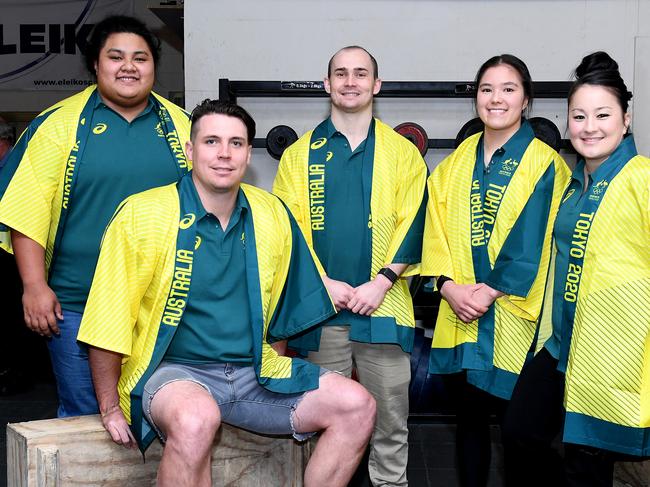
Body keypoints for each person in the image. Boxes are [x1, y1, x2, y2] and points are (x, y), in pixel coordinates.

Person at [77, 99, 376, 487]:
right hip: (175, 374)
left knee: (358, 405)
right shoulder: (142, 213)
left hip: (254, 373)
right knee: (197, 418)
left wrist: (273, 372)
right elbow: (107, 318)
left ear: (248, 153)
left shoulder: (272, 212)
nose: (224, 154)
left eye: (236, 143)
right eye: (211, 141)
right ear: (190, 150)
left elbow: (287, 309)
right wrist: (110, 407)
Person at [0, 15, 191, 417]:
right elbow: (26, 210)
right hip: (77, 302)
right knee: (87, 417)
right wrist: (34, 286)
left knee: (165, 414)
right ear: (95, 65)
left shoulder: (181, 125)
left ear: (154, 67)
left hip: (165, 302)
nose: (129, 66)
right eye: (116, 56)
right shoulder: (57, 125)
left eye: (140, 58)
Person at [273, 45, 428, 487]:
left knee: (391, 424)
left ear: (376, 85)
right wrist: (322, 282)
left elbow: (414, 221)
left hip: (384, 308)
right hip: (321, 314)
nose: (350, 81)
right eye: (340, 73)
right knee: (321, 426)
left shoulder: (403, 154)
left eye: (361, 73)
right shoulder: (299, 155)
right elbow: (288, 230)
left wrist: (381, 282)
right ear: (327, 85)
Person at [421, 54, 570, 487]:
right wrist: (448, 287)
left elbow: (536, 238)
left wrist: (487, 292)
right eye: (487, 89)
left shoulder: (547, 164)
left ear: (526, 100)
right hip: (461, 313)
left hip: (514, 319)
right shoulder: (455, 162)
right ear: (476, 98)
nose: (496, 98)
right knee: (467, 423)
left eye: (508, 89)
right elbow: (434, 229)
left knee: (518, 430)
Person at [502, 51, 650, 487]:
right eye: (579, 116)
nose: (590, 127)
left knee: (586, 465)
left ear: (625, 119)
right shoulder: (574, 184)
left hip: (610, 352)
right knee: (520, 433)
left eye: (602, 115)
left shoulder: (640, 178)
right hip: (561, 341)